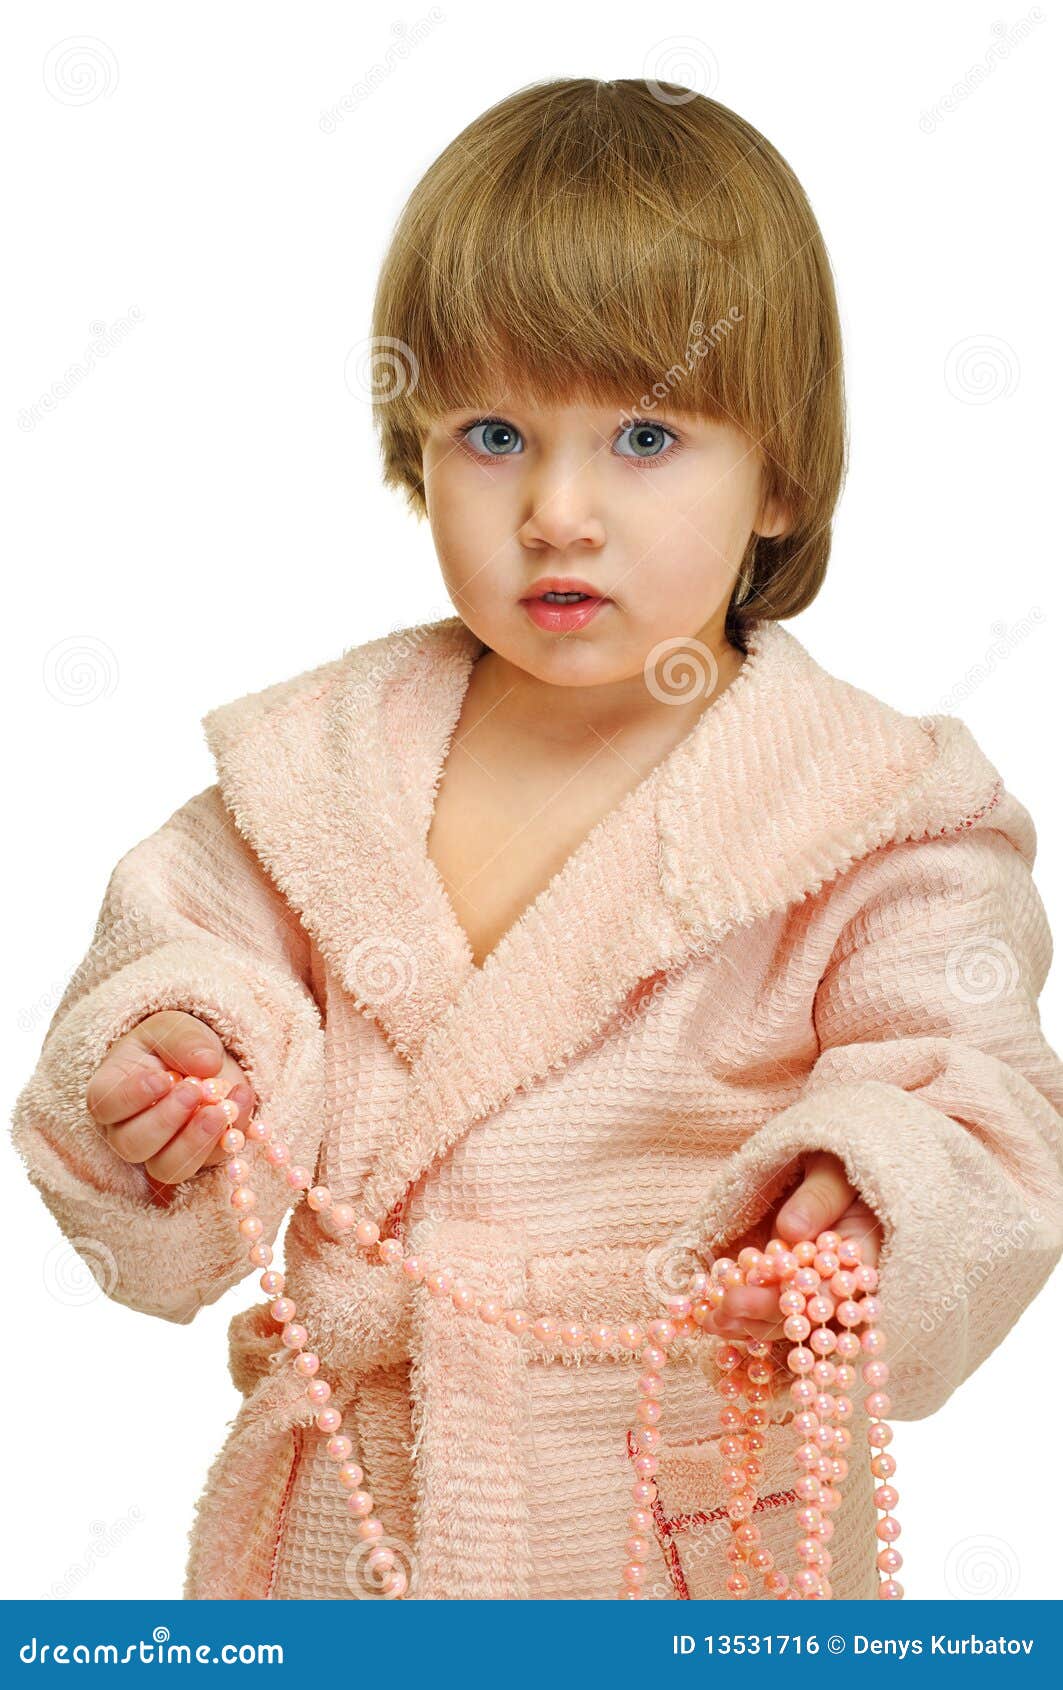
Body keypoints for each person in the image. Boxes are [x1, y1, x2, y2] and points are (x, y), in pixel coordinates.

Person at [12, 77, 1063, 1602]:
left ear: (776, 471)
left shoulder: (874, 815)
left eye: (644, 434)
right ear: (415, 442)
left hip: (697, 1548)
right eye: (495, 433)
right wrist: (169, 1054)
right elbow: (170, 967)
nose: (558, 511)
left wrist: (872, 1180)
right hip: (355, 1545)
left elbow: (989, 1113)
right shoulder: (312, 776)